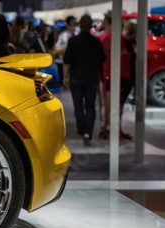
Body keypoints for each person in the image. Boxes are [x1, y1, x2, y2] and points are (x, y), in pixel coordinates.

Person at [63, 14, 106, 146]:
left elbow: (66, 62)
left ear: (80, 25)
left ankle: (81, 131)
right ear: (90, 25)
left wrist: (65, 77)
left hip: (76, 78)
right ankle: (88, 132)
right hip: (91, 79)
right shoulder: (96, 41)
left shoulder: (73, 41)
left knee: (78, 107)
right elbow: (103, 59)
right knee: (90, 106)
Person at [97, 11, 134, 140]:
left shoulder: (102, 38)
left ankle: (108, 127)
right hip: (120, 73)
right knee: (116, 101)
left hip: (109, 72)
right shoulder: (120, 39)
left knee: (111, 100)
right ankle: (111, 128)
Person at [53, 15, 77, 87]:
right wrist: (68, 46)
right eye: (74, 23)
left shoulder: (74, 35)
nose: (75, 26)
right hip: (63, 63)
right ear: (70, 23)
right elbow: (56, 48)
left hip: (72, 65)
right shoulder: (64, 35)